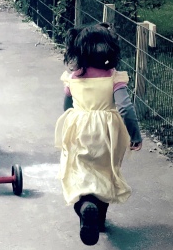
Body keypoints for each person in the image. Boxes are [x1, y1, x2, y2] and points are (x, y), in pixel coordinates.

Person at [54, 22, 143, 246]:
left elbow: (67, 107)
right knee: (105, 173)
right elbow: (125, 108)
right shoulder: (114, 77)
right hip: (108, 134)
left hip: (79, 129)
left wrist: (73, 123)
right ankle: (99, 218)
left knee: (78, 175)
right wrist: (135, 134)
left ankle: (84, 207)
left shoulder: (73, 77)